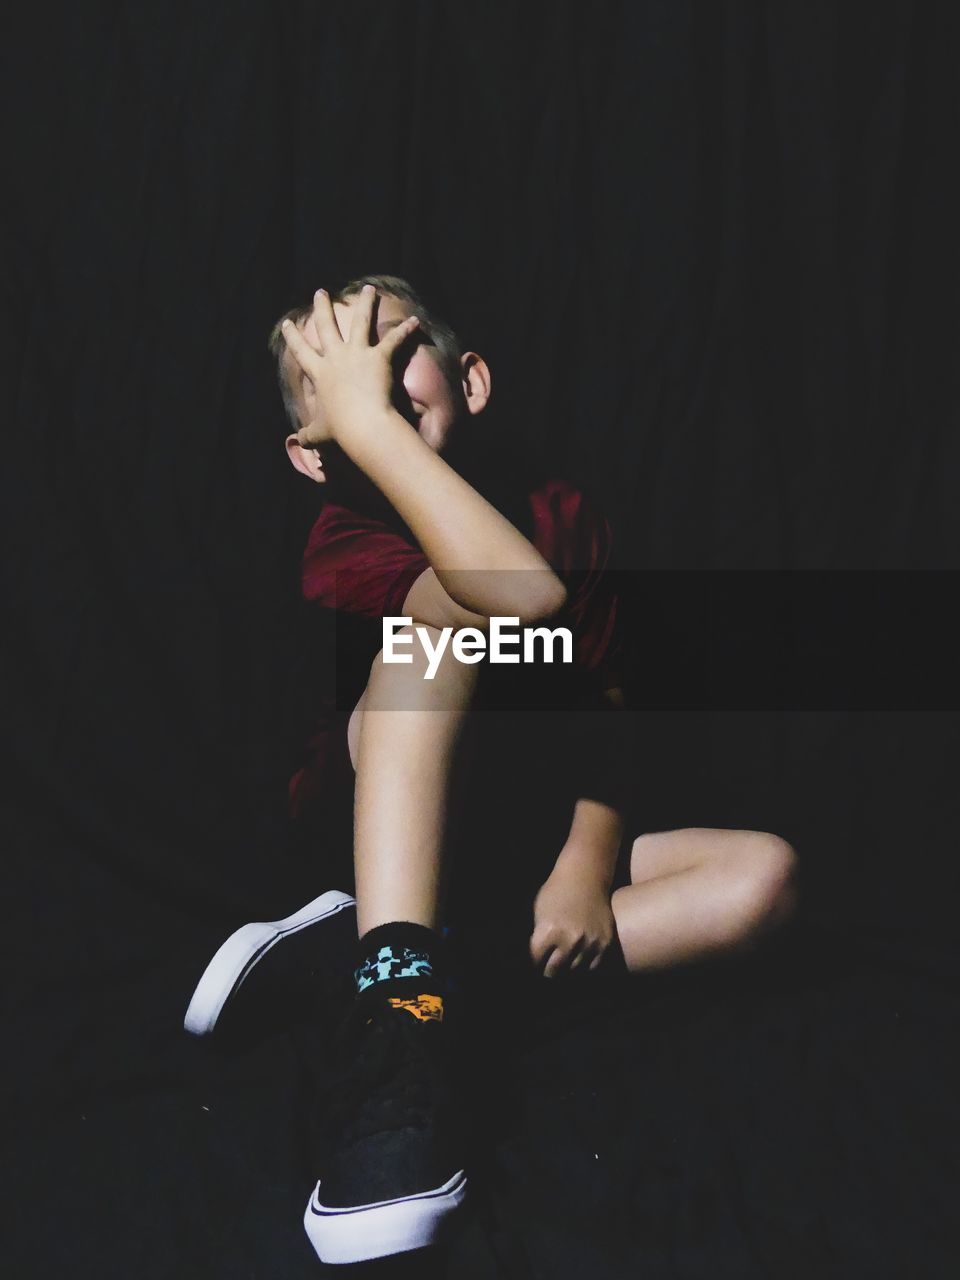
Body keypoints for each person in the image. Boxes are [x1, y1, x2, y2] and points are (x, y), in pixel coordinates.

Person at [184, 275, 798, 1266]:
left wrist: (585, 865)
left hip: (522, 835)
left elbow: (607, 712)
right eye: (333, 375)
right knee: (443, 638)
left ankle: (384, 960)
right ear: (311, 453)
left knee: (761, 877)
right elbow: (514, 599)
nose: (366, 377)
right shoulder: (346, 532)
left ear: (469, 379)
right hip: (375, 820)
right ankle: (393, 1022)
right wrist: (374, 426)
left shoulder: (565, 513)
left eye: (388, 346)